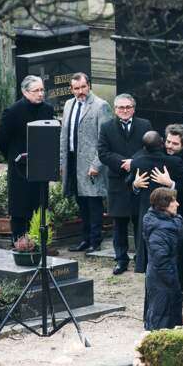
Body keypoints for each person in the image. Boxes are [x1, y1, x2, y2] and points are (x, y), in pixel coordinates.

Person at [98, 94, 152, 275]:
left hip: (140, 180)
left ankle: (141, 259)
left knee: (140, 222)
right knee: (119, 224)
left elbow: (149, 148)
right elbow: (103, 153)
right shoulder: (106, 127)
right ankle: (121, 260)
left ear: (134, 108)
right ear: (115, 109)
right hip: (118, 182)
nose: (124, 110)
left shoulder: (145, 125)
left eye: (128, 107)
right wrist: (124, 163)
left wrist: (134, 162)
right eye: (120, 107)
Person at [128, 131, 183, 273]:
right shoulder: (173, 162)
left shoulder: (137, 162)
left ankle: (144, 265)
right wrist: (135, 184)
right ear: (161, 143)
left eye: (174, 143)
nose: (170, 146)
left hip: (147, 211)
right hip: (168, 211)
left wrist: (170, 183)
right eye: (168, 142)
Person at [0, 75, 54, 244]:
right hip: (20, 169)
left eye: (42, 89)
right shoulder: (13, 111)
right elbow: (1, 140)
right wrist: (14, 157)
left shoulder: (47, 109)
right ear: (25, 92)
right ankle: (19, 244)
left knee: (40, 206)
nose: (41, 93)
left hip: (41, 167)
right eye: (36, 90)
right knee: (20, 208)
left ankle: (38, 244)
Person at [60, 73, 112, 253]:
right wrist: (62, 162)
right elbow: (64, 136)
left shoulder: (100, 106)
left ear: (89, 85)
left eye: (83, 87)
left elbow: (104, 140)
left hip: (91, 163)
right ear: (71, 89)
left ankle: (95, 241)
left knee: (93, 203)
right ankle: (85, 239)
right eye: (76, 88)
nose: (80, 91)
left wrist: (97, 164)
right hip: (73, 160)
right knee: (80, 202)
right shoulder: (68, 104)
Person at [142, 187, 183, 330]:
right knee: (161, 320)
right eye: (174, 201)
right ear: (164, 205)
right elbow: (161, 261)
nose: (178, 204)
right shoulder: (159, 230)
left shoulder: (172, 221)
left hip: (169, 280)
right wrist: (175, 282)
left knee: (172, 318)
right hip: (163, 282)